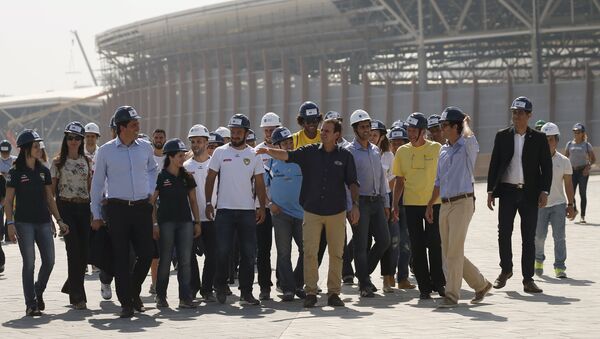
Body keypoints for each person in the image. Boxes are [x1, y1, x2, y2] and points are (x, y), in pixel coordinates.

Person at [257, 118, 360, 308]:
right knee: (310, 253)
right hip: (312, 211)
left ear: (337, 135)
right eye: (323, 130)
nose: (323, 133)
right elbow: (288, 155)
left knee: (337, 253)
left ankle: (334, 293)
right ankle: (311, 292)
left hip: (336, 212)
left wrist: (354, 205)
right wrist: (267, 151)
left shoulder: (345, 156)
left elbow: (352, 182)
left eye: (327, 131)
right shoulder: (310, 152)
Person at [90, 105, 158, 318]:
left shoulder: (145, 147)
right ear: (121, 127)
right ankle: (126, 303)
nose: (138, 126)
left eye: (137, 123)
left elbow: (153, 169)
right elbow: (98, 184)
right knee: (120, 257)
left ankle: (133, 291)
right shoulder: (106, 151)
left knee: (147, 253)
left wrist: (150, 192)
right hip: (117, 209)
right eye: (133, 124)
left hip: (141, 208)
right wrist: (96, 214)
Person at [425, 107, 492, 308]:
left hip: (463, 202)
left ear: (457, 126)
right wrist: (430, 204)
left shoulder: (467, 146)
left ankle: (451, 295)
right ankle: (480, 284)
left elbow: (470, 136)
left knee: (453, 251)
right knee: (449, 252)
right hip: (444, 204)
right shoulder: (443, 150)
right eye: (441, 125)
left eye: (446, 125)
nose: (442, 129)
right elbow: (438, 181)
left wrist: (466, 123)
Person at [487, 96, 552, 294]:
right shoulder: (502, 136)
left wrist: (544, 191)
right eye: (514, 112)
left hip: (530, 194)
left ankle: (528, 279)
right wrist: (491, 190)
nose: (516, 116)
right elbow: (495, 163)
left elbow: (546, 167)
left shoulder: (539, 138)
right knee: (504, 233)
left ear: (529, 115)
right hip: (507, 191)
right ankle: (505, 269)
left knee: (528, 237)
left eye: (521, 113)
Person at [4, 129, 70, 316]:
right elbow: (8, 201)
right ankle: (30, 303)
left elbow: (50, 198)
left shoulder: (43, 171)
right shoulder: (15, 172)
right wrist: (10, 223)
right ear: (26, 149)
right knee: (30, 263)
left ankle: (37, 290)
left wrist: (59, 220)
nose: (39, 148)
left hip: (43, 222)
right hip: (24, 224)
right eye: (35, 146)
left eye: (39, 145)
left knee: (49, 261)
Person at [205, 114, 267, 305]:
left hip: (247, 212)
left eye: (239, 132)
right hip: (224, 210)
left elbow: (259, 183)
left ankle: (246, 293)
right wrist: (208, 202)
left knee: (249, 254)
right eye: (233, 131)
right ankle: (221, 286)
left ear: (246, 133)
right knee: (223, 251)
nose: (235, 135)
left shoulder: (253, 154)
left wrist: (262, 207)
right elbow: (211, 177)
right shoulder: (220, 152)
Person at [392, 112, 446, 300]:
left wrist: (435, 201)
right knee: (417, 245)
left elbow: (442, 178)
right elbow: (399, 180)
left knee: (435, 244)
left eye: (414, 130)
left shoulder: (437, 148)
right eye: (409, 129)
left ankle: (439, 283)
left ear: (423, 131)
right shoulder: (402, 151)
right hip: (412, 205)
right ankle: (424, 287)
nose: (410, 133)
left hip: (434, 204)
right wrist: (395, 205)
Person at [152, 138, 201, 309]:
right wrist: (155, 223)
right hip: (166, 223)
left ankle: (185, 297)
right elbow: (152, 201)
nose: (182, 158)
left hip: (185, 223)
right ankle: (160, 296)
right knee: (165, 260)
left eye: (183, 155)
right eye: (179, 156)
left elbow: (193, 201)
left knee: (185, 260)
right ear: (170, 157)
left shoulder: (187, 176)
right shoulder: (161, 176)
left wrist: (197, 222)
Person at [346, 111, 390, 297]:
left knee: (384, 240)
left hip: (376, 202)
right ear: (355, 129)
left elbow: (381, 178)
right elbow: (347, 183)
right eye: (362, 127)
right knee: (361, 244)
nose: (366, 130)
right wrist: (351, 207)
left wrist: (386, 203)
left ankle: (362, 273)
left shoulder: (374, 149)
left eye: (368, 126)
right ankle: (364, 284)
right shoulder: (349, 152)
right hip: (360, 203)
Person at [50, 122, 92, 310]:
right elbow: (51, 192)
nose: (73, 141)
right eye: (70, 138)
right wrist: (56, 218)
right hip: (66, 208)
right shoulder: (58, 162)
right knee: (73, 252)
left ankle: (71, 284)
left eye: (77, 138)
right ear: (65, 140)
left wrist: (93, 212)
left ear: (81, 140)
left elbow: (89, 187)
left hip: (84, 208)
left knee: (84, 254)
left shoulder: (87, 161)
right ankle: (77, 296)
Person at [265, 126, 305, 301]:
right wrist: (270, 203)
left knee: (306, 250)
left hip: (301, 214)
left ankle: (298, 284)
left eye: (290, 142)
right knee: (283, 252)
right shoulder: (271, 164)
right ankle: (288, 289)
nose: (288, 145)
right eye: (284, 143)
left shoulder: (301, 161)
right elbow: (262, 186)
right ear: (276, 146)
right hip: (280, 214)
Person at [535, 122, 577, 278]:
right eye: (545, 139)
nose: (548, 142)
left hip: (558, 205)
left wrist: (571, 204)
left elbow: (568, 184)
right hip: (539, 205)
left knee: (559, 237)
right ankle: (538, 260)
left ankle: (560, 267)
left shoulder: (564, 161)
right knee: (539, 236)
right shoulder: (535, 160)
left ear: (557, 140)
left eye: (551, 139)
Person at [184, 124, 218, 302]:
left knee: (213, 255)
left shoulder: (215, 164)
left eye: (199, 141)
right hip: (191, 219)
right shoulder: (185, 166)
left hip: (212, 219)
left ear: (207, 143)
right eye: (193, 141)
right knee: (189, 256)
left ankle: (207, 288)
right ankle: (193, 287)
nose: (196, 144)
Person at [370, 119, 400, 293]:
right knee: (371, 240)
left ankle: (387, 277)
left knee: (387, 239)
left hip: (386, 197)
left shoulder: (389, 156)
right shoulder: (368, 152)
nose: (372, 137)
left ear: (382, 137)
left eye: (375, 135)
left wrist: (392, 204)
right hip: (370, 197)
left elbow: (393, 179)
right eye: (370, 134)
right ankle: (363, 273)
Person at [387, 126, 415, 290]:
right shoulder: (386, 158)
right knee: (394, 241)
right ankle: (389, 275)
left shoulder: (411, 156)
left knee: (407, 242)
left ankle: (403, 278)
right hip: (391, 204)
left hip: (409, 203)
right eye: (394, 143)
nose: (396, 146)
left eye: (400, 143)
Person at [565, 123, 595, 224]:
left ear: (582, 133)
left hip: (583, 172)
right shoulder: (569, 144)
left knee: (582, 193)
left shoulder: (586, 145)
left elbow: (593, 159)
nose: (576, 134)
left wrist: (588, 167)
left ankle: (582, 216)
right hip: (572, 171)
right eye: (574, 132)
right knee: (571, 192)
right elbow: (565, 157)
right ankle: (575, 209)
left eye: (578, 132)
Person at [149, 128, 166, 294]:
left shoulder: (169, 158)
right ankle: (154, 283)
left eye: (161, 137)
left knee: (163, 250)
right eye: (156, 137)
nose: (159, 139)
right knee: (153, 251)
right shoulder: (148, 157)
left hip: (166, 207)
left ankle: (159, 285)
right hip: (149, 205)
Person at [1, 139, 16, 244]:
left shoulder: (15, 160)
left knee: (11, 211)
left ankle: (8, 234)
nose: (5, 154)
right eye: (3, 152)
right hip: (0, 190)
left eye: (6, 152)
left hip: (12, 189)